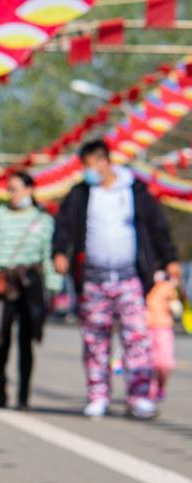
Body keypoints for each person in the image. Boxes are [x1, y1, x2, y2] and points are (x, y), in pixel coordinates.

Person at [53, 139, 181, 419]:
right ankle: (98, 394)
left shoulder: (134, 190)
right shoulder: (81, 194)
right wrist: (60, 251)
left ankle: (139, 396)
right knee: (95, 340)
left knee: (137, 339)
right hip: (93, 280)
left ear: (104, 161)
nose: (86, 172)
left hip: (130, 279)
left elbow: (157, 227)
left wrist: (169, 258)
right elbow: (63, 226)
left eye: (88, 166)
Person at [0, 171, 62, 410]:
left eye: (16, 188)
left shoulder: (43, 220)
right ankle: (1, 383)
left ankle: (23, 393)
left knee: (26, 340)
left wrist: (53, 285)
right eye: (8, 189)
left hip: (30, 282)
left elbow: (48, 254)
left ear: (30, 190)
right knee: (0, 337)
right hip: (1, 281)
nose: (11, 194)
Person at [146, 269, 179, 401]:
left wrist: (174, 303)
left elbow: (177, 308)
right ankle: (150, 389)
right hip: (146, 327)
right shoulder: (144, 283)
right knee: (149, 362)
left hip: (164, 327)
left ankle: (161, 385)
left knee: (165, 363)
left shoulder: (168, 285)